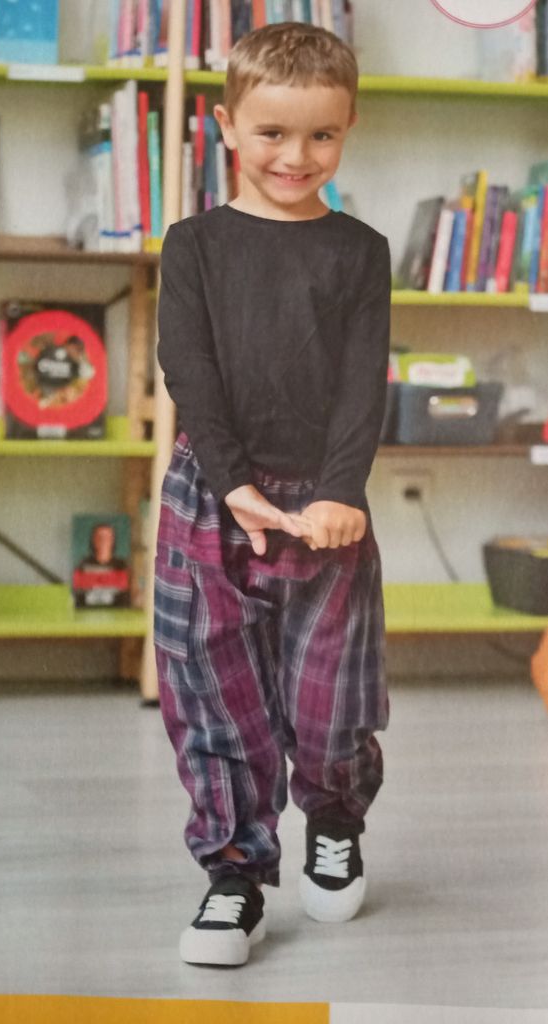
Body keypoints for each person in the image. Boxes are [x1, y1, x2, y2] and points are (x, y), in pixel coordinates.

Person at [153, 20, 391, 968]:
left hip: (325, 509)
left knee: (330, 701)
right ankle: (233, 877)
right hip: (211, 498)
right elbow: (189, 372)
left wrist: (339, 490)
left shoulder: (360, 251)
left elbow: (362, 382)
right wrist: (234, 485)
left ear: (348, 129)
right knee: (213, 697)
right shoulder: (193, 245)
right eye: (272, 133)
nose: (296, 156)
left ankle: (333, 820)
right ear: (225, 127)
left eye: (321, 135)